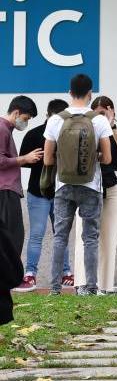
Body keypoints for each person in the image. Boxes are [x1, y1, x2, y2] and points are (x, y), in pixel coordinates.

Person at [43, 74, 112, 296]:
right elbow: (109, 159)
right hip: (91, 185)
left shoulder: (56, 120)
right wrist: (93, 156)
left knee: (60, 236)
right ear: (90, 93)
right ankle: (91, 287)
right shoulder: (98, 120)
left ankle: (54, 288)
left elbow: (47, 159)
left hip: (63, 185)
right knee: (90, 238)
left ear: (70, 92)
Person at [66, 96, 117, 294]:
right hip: (89, 185)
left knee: (110, 238)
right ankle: (82, 283)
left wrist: (112, 124)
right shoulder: (87, 129)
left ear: (112, 111)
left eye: (104, 113)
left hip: (113, 186)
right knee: (85, 236)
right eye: (96, 113)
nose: (100, 117)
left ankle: (105, 286)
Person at [15, 99, 71, 292]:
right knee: (37, 234)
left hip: (62, 192)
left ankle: (66, 273)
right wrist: (36, 158)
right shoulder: (34, 134)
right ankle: (30, 274)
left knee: (61, 234)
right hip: (37, 192)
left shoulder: (69, 134)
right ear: (48, 116)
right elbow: (23, 161)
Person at [1, 96, 40, 279]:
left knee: (13, 236)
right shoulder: (2, 129)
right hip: (5, 191)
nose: (25, 123)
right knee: (13, 237)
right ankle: (8, 278)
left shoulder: (6, 130)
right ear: (16, 112)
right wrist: (24, 159)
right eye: (25, 118)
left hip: (8, 190)